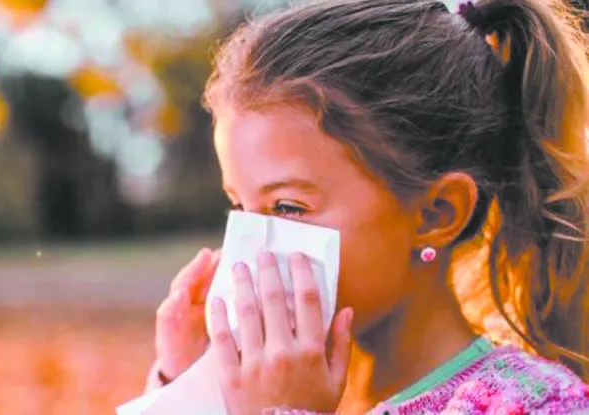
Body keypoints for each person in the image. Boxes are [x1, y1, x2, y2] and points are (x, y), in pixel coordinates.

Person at [147, 0, 589, 413]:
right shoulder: (250, 386)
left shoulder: (537, 403)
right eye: (240, 206)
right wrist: (187, 388)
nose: (250, 249)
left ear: (437, 213)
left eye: (287, 207)